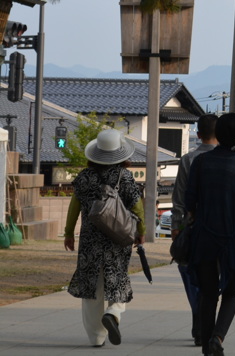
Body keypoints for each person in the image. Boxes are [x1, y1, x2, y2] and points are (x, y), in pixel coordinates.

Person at [185, 113, 235, 356]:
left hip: (205, 236)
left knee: (208, 293)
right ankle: (217, 338)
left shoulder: (201, 162)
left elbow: (190, 200)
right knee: (232, 291)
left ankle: (206, 346)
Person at [63, 128, 145, 347]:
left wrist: (69, 233)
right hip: (117, 239)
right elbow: (137, 206)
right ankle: (114, 312)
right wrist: (141, 232)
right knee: (116, 277)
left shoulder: (84, 177)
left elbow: (74, 206)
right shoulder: (124, 177)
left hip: (90, 238)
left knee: (92, 285)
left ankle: (96, 337)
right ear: (121, 153)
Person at [171, 113, 218, 346]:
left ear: (198, 134)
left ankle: (199, 320)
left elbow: (178, 197)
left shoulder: (189, 159)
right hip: (218, 229)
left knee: (191, 275)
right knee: (213, 279)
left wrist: (177, 226)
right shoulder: (229, 159)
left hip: (192, 227)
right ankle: (204, 323)